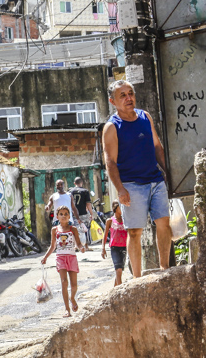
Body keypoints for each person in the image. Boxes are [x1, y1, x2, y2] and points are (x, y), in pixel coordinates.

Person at [102, 79, 172, 278]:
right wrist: (120, 189)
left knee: (163, 223)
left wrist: (169, 172)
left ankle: (164, 269)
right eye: (122, 95)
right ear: (113, 101)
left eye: (130, 93)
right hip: (131, 185)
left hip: (155, 181)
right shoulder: (111, 127)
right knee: (134, 232)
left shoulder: (145, 116)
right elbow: (110, 163)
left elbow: (157, 147)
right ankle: (137, 278)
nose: (128, 98)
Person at [41, 207, 86, 317]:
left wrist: (81, 248)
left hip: (72, 258)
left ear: (69, 216)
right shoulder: (54, 230)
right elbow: (53, 246)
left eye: (66, 214)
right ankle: (67, 309)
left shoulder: (73, 229)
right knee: (64, 282)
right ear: (57, 217)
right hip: (60, 258)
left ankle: (72, 297)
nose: (64, 216)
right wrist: (45, 257)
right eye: (61, 214)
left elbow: (78, 243)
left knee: (74, 285)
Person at [100, 200, 128, 286]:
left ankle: (115, 290)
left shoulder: (126, 220)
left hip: (124, 247)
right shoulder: (110, 221)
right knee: (118, 270)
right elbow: (104, 236)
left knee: (120, 271)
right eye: (120, 207)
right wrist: (103, 249)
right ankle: (120, 291)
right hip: (114, 248)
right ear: (115, 208)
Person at [69, 176, 94, 243]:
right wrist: (91, 213)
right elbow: (88, 204)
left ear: (74, 183)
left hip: (73, 214)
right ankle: (86, 245)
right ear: (82, 183)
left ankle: (76, 245)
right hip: (83, 213)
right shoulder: (85, 191)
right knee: (85, 229)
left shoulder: (70, 191)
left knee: (75, 229)